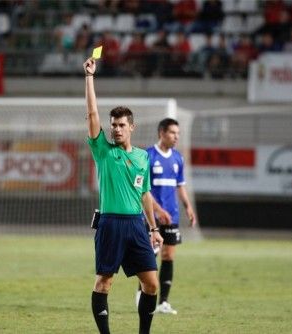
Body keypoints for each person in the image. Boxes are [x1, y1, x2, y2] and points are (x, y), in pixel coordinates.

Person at [84, 57, 164, 334]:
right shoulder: (104, 151)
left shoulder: (143, 157)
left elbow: (144, 194)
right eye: (113, 125)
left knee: (151, 284)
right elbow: (92, 115)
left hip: (136, 226)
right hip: (110, 223)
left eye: (121, 125)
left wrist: (153, 228)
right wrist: (90, 78)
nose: (116, 129)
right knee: (104, 282)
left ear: (132, 127)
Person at [145, 118, 196, 315]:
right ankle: (143, 296)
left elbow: (180, 186)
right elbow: (143, 190)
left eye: (178, 133)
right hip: (153, 216)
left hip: (172, 215)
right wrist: (157, 210)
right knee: (150, 258)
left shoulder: (178, 158)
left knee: (168, 255)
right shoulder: (148, 156)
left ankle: (163, 303)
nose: (176, 137)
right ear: (161, 133)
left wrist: (188, 207)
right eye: (173, 133)